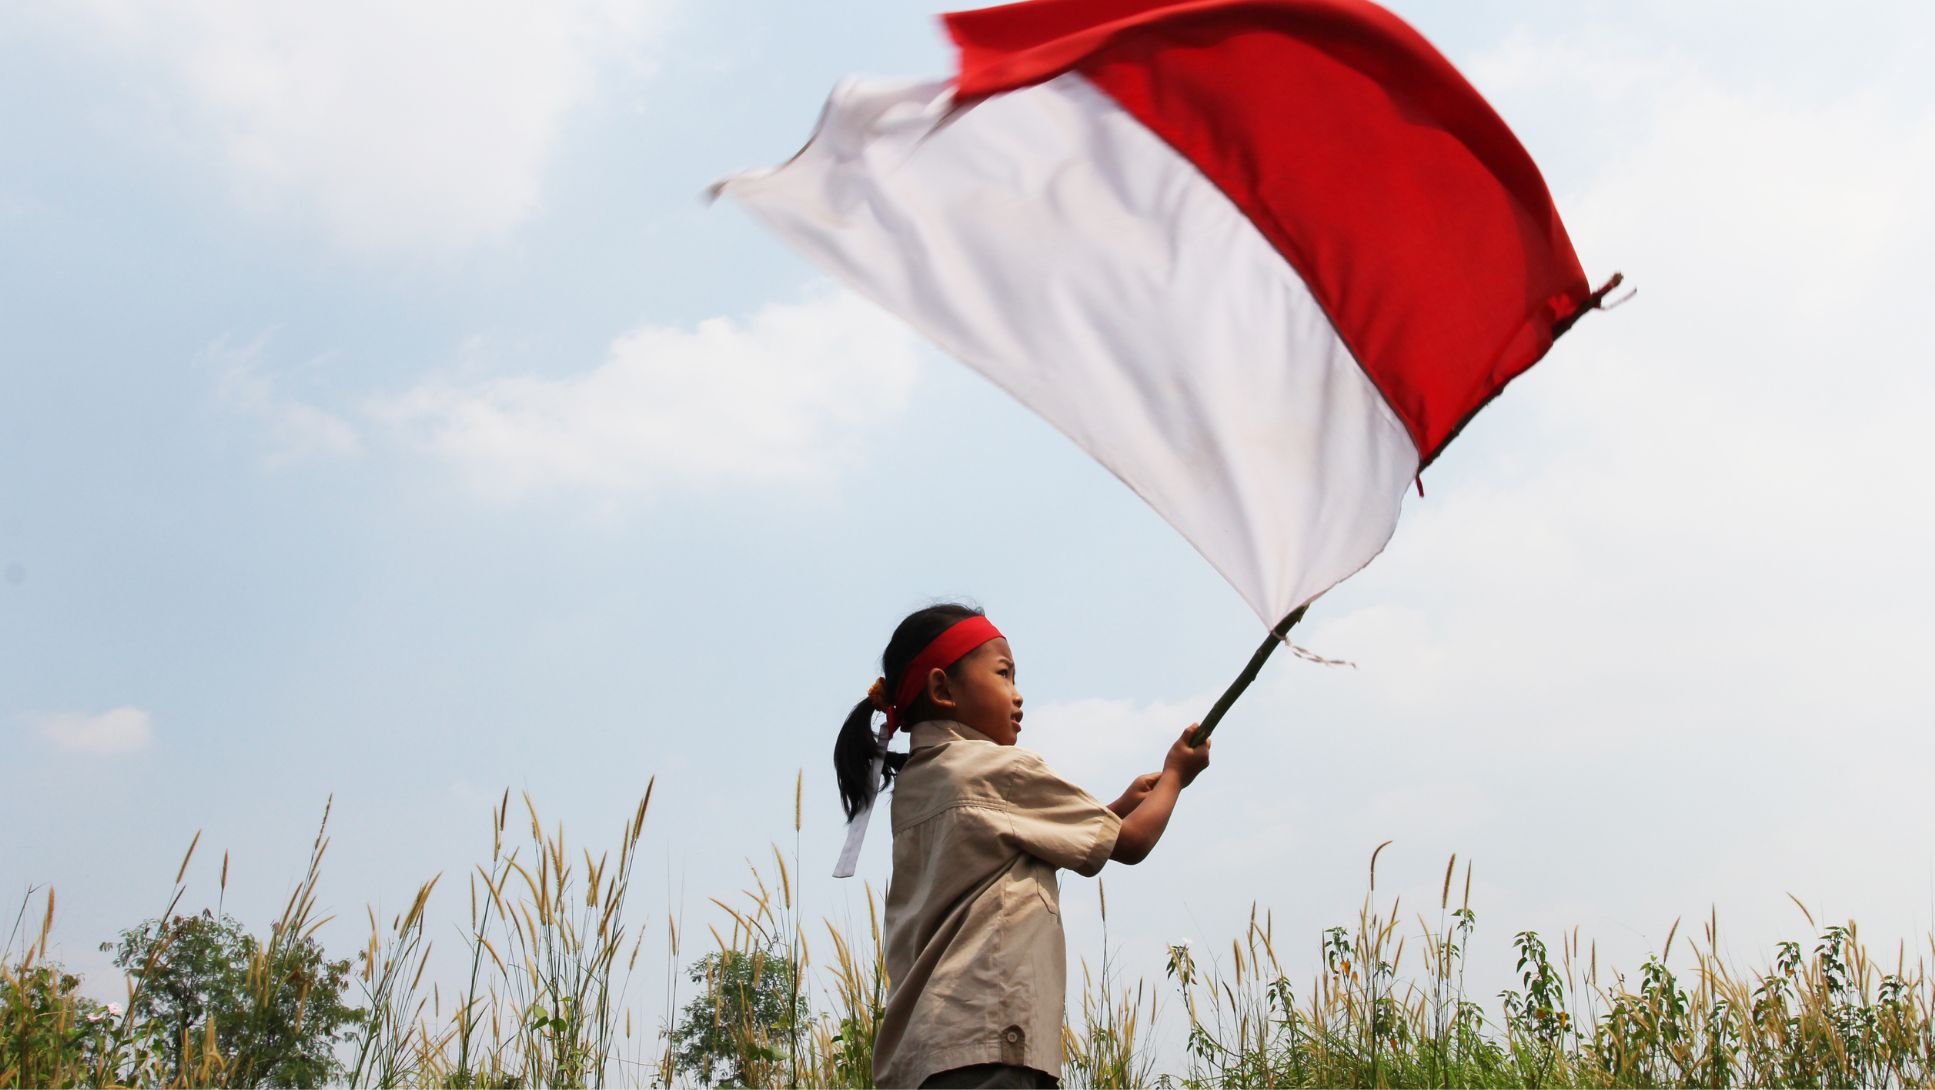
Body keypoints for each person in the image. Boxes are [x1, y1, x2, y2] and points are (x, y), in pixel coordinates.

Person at [833, 603, 1211, 1089]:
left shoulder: (917, 785)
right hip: (988, 1045)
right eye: (1004, 674)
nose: (1018, 694)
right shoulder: (1000, 771)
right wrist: (1176, 775)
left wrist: (1114, 808)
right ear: (943, 689)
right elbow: (1133, 843)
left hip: (926, 1056)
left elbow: (1008, 851)